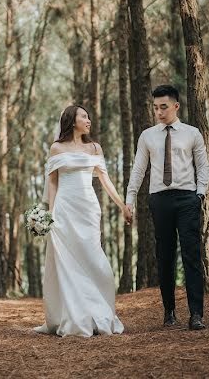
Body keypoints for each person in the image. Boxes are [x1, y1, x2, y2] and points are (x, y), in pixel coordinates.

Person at [34, 104, 132, 337]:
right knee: (68, 261)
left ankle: (99, 312)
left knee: (94, 259)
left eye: (88, 117)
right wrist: (51, 214)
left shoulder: (94, 147)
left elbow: (105, 180)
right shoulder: (56, 148)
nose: (88, 120)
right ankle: (73, 316)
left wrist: (122, 206)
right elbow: (54, 183)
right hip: (65, 209)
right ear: (72, 120)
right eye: (84, 116)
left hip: (88, 209)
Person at [125, 84, 209, 330]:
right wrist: (129, 200)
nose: (159, 112)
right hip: (160, 200)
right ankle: (169, 311)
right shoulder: (147, 136)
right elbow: (139, 170)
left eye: (164, 107)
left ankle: (196, 314)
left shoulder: (192, 133)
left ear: (176, 106)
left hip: (187, 199)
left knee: (192, 256)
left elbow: (202, 166)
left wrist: (200, 195)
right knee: (165, 257)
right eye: (155, 107)